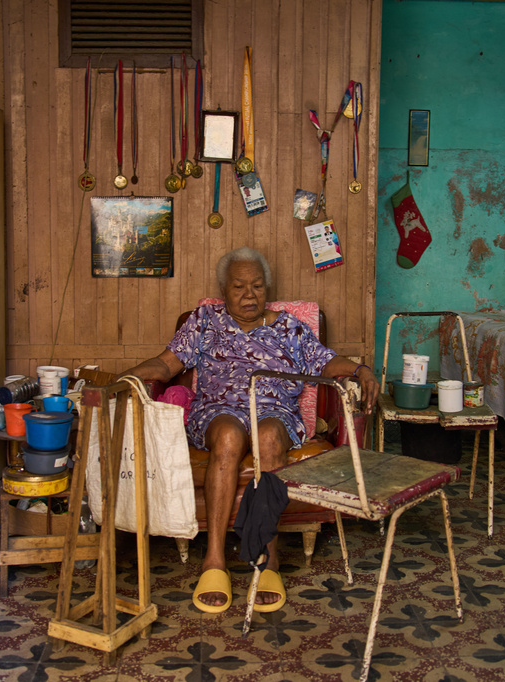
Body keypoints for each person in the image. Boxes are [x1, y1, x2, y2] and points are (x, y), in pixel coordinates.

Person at [120, 246, 380, 612]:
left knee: (269, 436)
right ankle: (214, 560)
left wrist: (360, 370)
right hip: (217, 411)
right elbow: (165, 365)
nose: (249, 294)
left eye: (257, 286)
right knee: (228, 435)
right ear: (224, 290)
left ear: (267, 289)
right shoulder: (205, 321)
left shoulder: (289, 327)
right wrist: (123, 379)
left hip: (274, 411)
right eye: (239, 287)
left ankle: (267, 557)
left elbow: (326, 360)